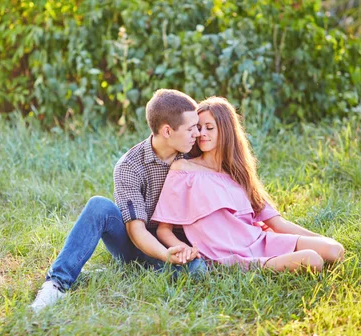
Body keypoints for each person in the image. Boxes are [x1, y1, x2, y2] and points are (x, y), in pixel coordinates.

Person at [30, 89, 206, 314]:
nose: (198, 133)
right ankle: (56, 284)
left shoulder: (193, 153)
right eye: (191, 128)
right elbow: (135, 231)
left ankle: (138, 271)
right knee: (99, 206)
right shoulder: (130, 167)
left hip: (178, 242)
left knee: (198, 271)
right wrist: (165, 255)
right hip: (135, 243)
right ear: (167, 131)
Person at [151, 96, 344, 272]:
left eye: (209, 128)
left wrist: (319, 239)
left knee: (334, 250)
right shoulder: (183, 169)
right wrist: (184, 248)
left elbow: (277, 223)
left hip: (260, 241)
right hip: (228, 256)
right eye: (198, 127)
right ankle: (272, 265)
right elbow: (163, 229)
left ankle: (287, 258)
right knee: (312, 260)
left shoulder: (238, 173)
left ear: (226, 130)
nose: (202, 134)